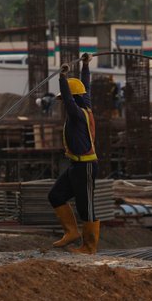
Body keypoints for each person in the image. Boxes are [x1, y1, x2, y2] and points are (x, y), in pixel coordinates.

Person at [49, 53, 99, 254]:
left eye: (65, 99)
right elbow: (85, 85)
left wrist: (62, 78)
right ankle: (71, 232)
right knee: (56, 195)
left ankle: (89, 246)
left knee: (85, 206)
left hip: (86, 165)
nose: (63, 103)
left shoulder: (78, 113)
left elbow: (70, 98)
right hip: (75, 165)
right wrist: (85, 65)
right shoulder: (84, 103)